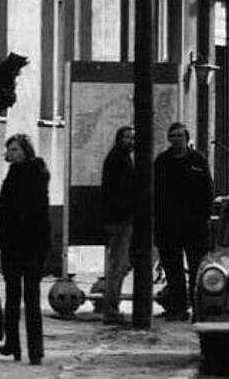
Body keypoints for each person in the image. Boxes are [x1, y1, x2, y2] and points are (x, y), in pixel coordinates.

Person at [0, 133, 51, 365]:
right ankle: (35, 351)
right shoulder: (40, 174)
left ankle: (13, 345)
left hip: (17, 245)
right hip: (33, 245)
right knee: (30, 298)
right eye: (10, 150)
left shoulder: (18, 175)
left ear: (26, 150)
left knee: (15, 298)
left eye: (16, 149)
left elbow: (6, 212)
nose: (12, 153)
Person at [152, 121, 213, 320]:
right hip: (168, 225)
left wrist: (205, 217)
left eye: (180, 135)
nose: (177, 139)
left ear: (187, 138)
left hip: (194, 226)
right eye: (174, 135)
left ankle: (198, 309)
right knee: (173, 268)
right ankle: (177, 308)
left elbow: (207, 191)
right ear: (169, 139)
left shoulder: (198, 160)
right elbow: (155, 192)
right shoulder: (162, 162)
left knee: (197, 268)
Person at [99, 125, 136, 323]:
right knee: (117, 265)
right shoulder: (118, 160)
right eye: (127, 137)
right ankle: (111, 309)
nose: (130, 141)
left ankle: (112, 307)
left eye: (132, 138)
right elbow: (119, 192)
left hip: (119, 217)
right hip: (119, 219)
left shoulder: (120, 158)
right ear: (119, 139)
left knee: (119, 264)